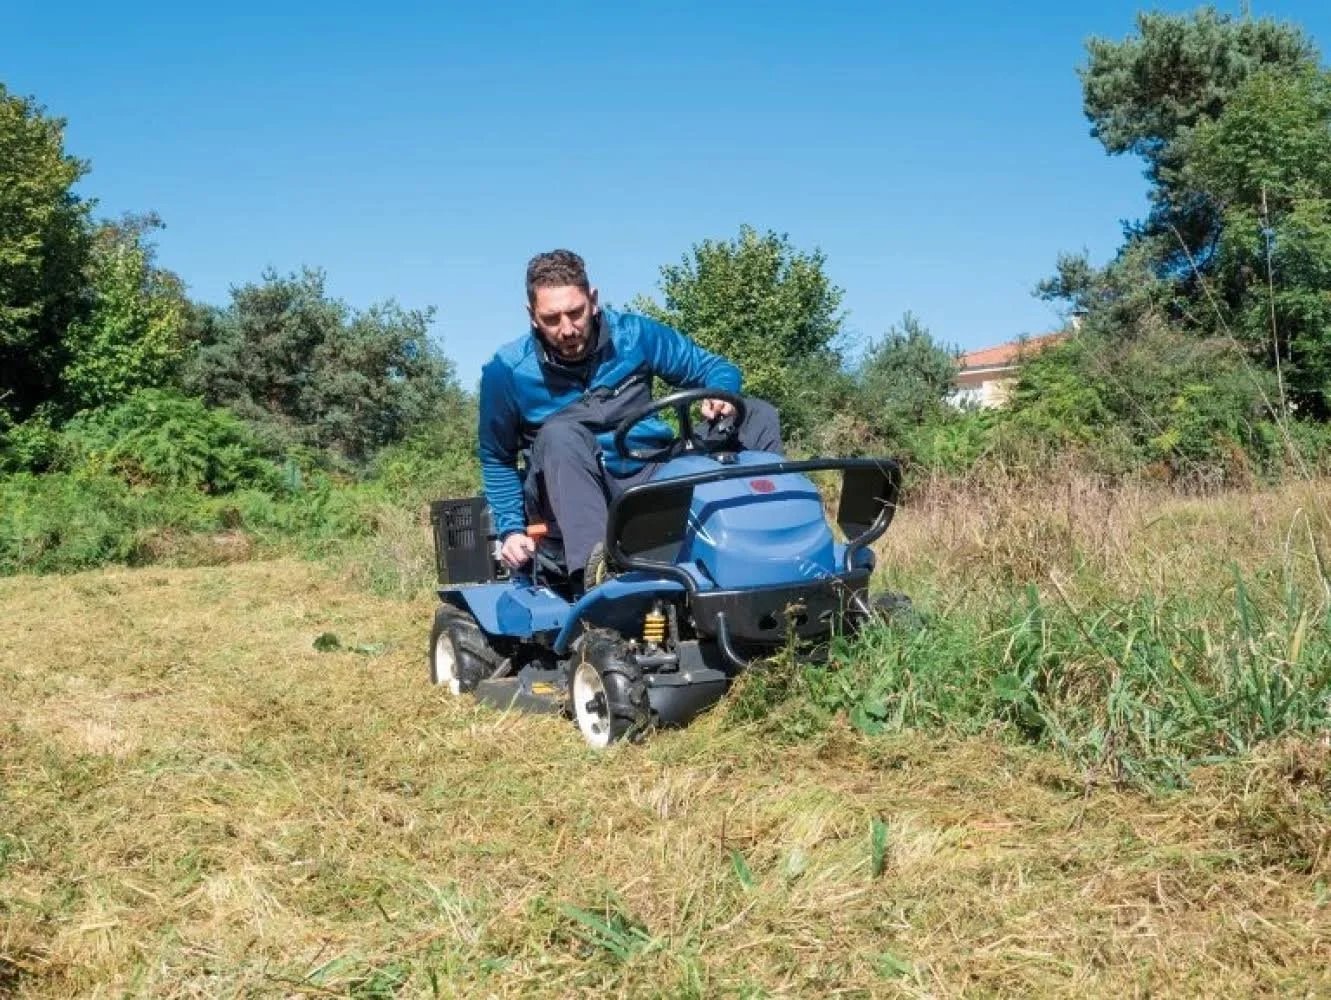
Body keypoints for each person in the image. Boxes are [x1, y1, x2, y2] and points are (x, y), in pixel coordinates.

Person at [478, 249, 782, 593]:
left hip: (650, 472)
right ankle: (601, 582)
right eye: (551, 319)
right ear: (532, 315)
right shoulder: (506, 372)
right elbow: (496, 457)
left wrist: (719, 392)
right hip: (568, 483)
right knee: (561, 434)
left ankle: (770, 539)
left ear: (593, 301)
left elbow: (717, 368)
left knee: (754, 412)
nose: (567, 329)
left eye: (575, 313)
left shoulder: (636, 335)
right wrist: (511, 529)